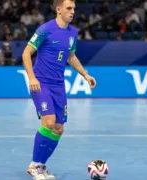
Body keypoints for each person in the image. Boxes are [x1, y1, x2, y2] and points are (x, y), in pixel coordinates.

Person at [22, 0, 96, 179]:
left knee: (58, 129)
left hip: (58, 85)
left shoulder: (73, 33)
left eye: (74, 9)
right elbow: (26, 53)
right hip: (41, 83)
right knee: (48, 122)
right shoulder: (45, 29)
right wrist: (31, 77)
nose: (72, 12)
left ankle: (41, 165)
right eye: (69, 8)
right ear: (58, 9)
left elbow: (70, 56)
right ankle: (34, 166)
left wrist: (85, 75)